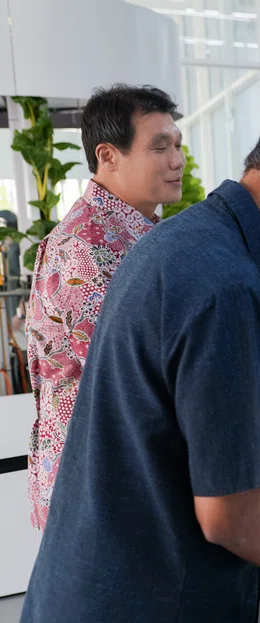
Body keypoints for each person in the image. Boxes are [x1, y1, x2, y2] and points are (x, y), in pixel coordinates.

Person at [17, 116, 260, 623]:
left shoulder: (182, 243)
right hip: (145, 612)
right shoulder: (228, 290)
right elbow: (233, 514)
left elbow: (205, 458)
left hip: (86, 598)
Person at [24, 84, 185, 531]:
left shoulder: (136, 232)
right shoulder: (84, 247)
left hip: (121, 473)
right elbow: (126, 377)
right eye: (160, 147)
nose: (177, 160)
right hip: (98, 488)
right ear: (108, 155)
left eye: (177, 144)